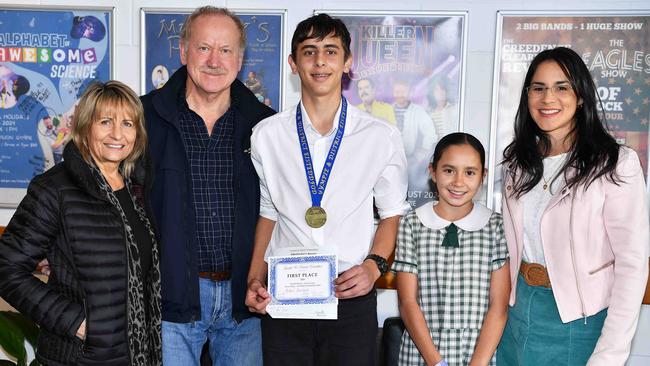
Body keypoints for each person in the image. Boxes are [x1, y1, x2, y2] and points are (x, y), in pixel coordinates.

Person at [245, 13, 410, 365]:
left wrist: (374, 266)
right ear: (293, 63)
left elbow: (392, 212)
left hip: (350, 297)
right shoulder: (266, 135)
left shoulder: (380, 136)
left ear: (348, 62)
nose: (320, 61)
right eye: (309, 51)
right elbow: (268, 212)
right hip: (284, 300)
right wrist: (254, 279)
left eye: (331, 51)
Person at [497, 47, 649, 365]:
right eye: (538, 88)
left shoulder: (616, 163)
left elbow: (632, 265)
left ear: (580, 96)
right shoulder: (516, 162)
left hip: (580, 321)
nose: (547, 98)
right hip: (518, 314)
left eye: (561, 87)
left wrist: (609, 355)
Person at [141, 6, 275, 366]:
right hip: (171, 300)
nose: (215, 60)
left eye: (226, 50)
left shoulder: (266, 127)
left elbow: (281, 209)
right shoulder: (142, 118)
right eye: (204, 48)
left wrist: (261, 278)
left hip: (244, 301)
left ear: (240, 58)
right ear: (183, 52)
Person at [0, 80, 161, 365]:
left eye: (127, 123)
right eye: (106, 122)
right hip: (79, 356)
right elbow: (6, 268)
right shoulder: (55, 189)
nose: (117, 134)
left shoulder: (137, 187)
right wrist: (75, 322)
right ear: (86, 127)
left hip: (135, 355)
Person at [394, 132, 510, 366]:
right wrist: (436, 362)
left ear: (482, 176)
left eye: (469, 172)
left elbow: (498, 306)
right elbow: (408, 302)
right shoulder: (412, 223)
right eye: (449, 170)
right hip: (423, 355)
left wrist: (477, 363)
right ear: (432, 171)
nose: (458, 182)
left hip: (480, 354)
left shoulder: (496, 226)